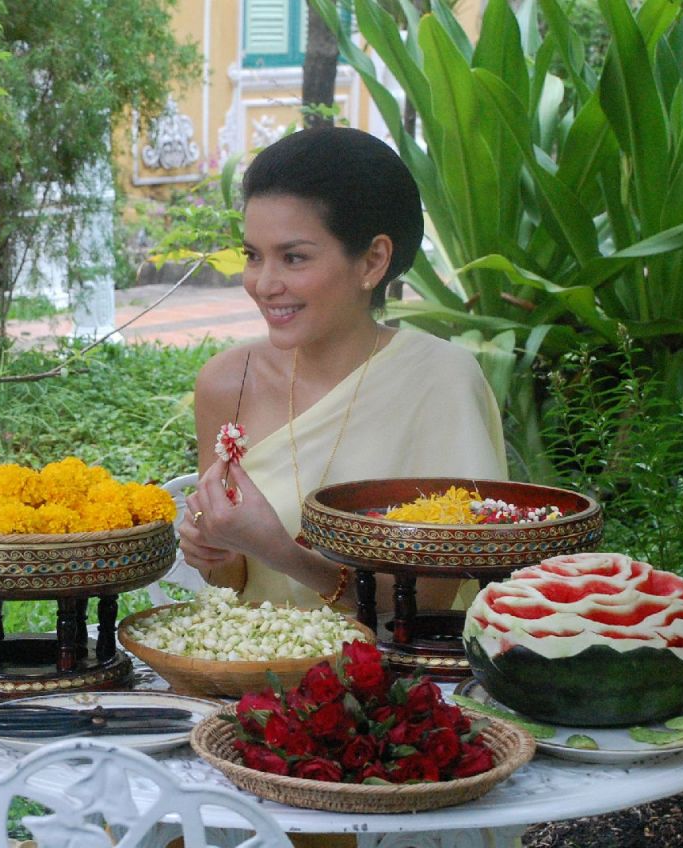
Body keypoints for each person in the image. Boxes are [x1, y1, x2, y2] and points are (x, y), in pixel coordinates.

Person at [179, 126, 507, 618]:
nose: (264, 284)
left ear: (373, 260)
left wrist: (282, 552)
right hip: (246, 674)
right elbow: (232, 585)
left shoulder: (440, 382)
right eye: (253, 256)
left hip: (389, 684)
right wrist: (218, 554)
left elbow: (425, 608)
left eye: (293, 257)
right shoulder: (228, 381)